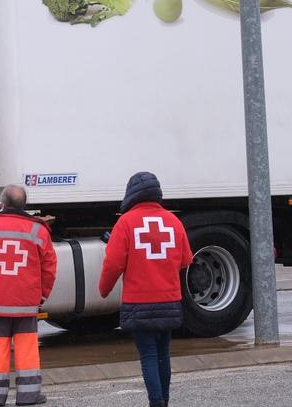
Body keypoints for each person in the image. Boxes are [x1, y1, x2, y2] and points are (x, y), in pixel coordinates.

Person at [98, 172, 194, 407]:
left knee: (148, 355)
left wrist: (104, 289)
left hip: (139, 302)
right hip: (169, 300)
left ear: (131, 194)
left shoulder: (126, 222)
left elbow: (113, 264)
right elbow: (186, 260)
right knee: (163, 354)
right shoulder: (173, 221)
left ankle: (156, 402)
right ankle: (164, 400)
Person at [0, 185, 57, 406]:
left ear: (2, 203)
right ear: (24, 205)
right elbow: (49, 267)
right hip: (26, 303)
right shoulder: (39, 230)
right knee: (27, 348)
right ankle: (29, 395)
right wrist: (42, 296)